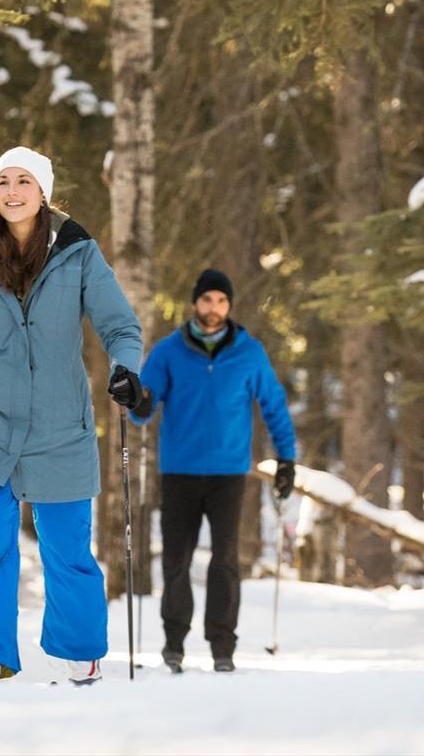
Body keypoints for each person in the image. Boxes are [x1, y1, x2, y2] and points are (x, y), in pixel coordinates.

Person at [0, 146, 144, 686]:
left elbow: (120, 327)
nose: (13, 192)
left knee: (68, 547)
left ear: (43, 192)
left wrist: (126, 370)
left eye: (24, 181)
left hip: (59, 422)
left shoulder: (77, 252)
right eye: (3, 182)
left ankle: (78, 652)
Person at [130, 268, 296, 674]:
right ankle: (174, 644)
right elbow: (144, 408)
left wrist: (287, 459)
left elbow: (273, 404)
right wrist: (136, 401)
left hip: (228, 473)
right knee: (176, 560)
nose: (214, 308)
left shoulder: (249, 352)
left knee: (224, 560)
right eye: (207, 300)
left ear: (229, 306)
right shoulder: (169, 351)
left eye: (221, 301)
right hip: (179, 471)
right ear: (194, 304)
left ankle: (223, 647)